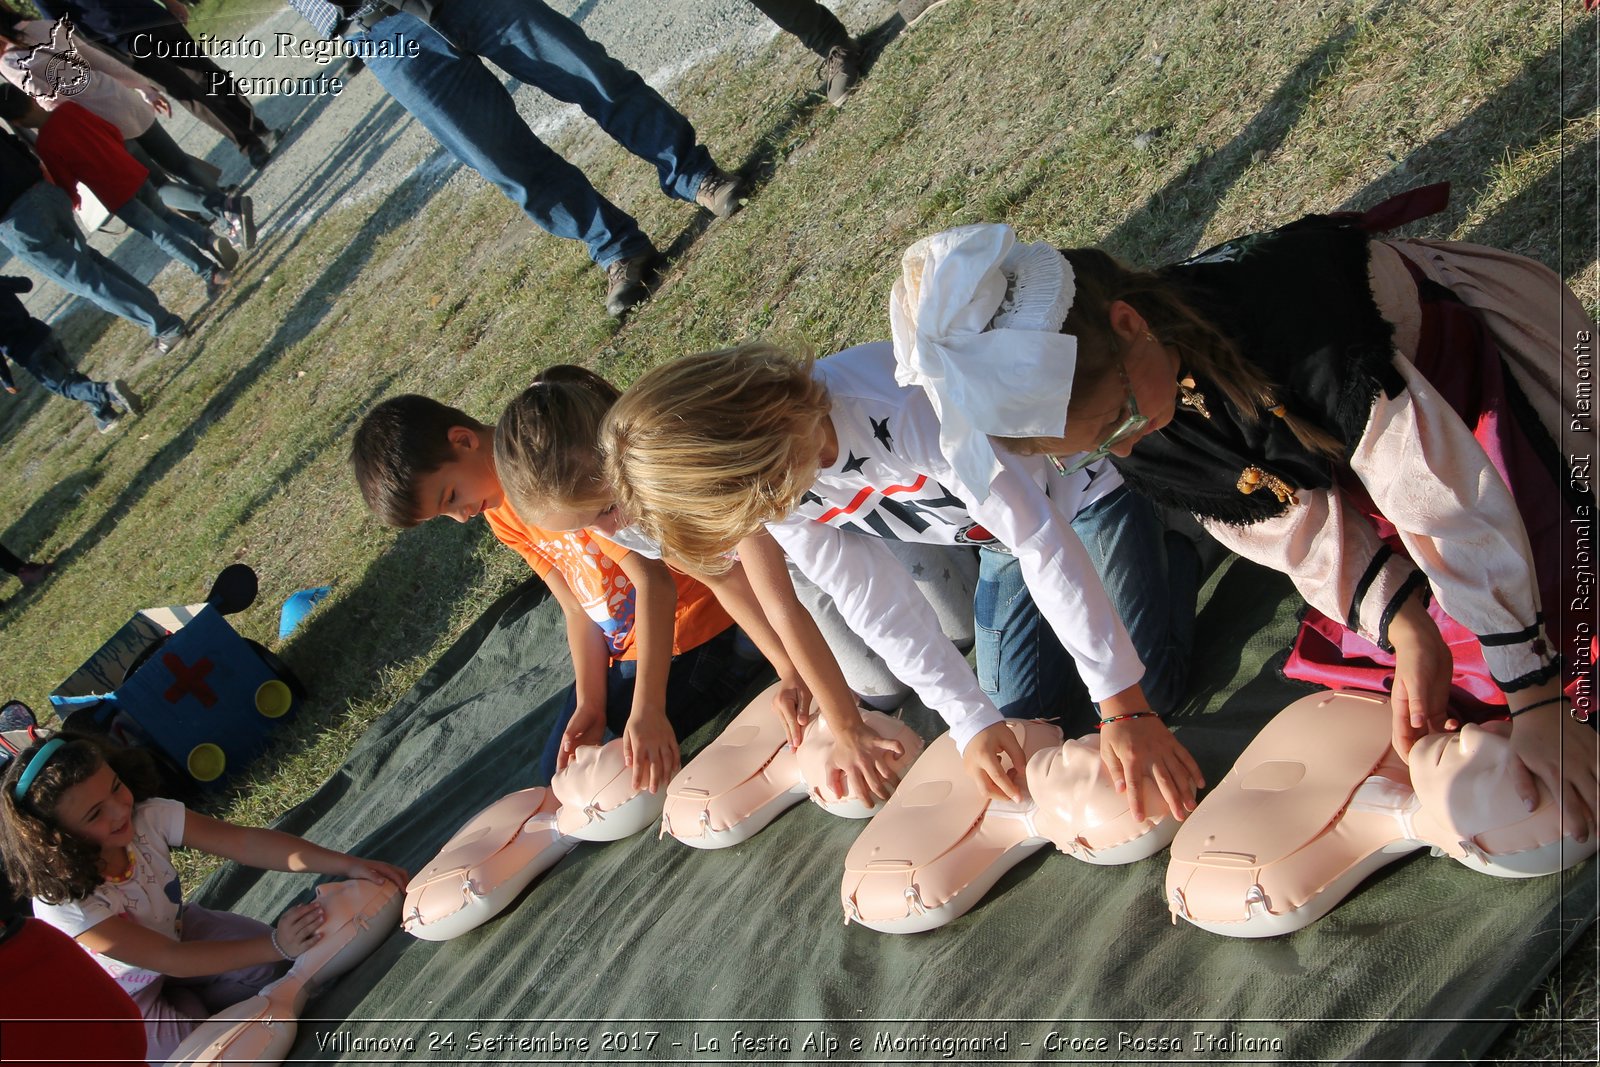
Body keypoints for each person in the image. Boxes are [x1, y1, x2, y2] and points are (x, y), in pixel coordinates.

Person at [919, 194, 1595, 840]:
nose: (1123, 448)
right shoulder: (1134, 427)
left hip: (1456, 384)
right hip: (1364, 465)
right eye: (1094, 449)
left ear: (1130, 325)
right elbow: (1292, 528)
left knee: (1561, 622)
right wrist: (1405, 622)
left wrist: (1534, 692)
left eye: (1116, 422)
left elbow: (1437, 492)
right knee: (1431, 670)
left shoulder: (1300, 324)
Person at [602, 335, 1203, 820]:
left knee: (1147, 692)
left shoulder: (901, 407)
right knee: (1022, 720)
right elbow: (871, 599)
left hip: (1079, 496)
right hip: (999, 541)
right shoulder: (778, 488)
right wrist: (970, 722)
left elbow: (1040, 538)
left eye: (752, 504)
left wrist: (1124, 709)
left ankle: (1173, 531)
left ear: (754, 451)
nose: (764, 521)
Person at [350, 387, 760, 792]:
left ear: (463, 440)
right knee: (564, 775)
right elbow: (578, 609)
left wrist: (648, 708)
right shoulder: (500, 515)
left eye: (451, 497)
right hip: (631, 648)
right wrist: (590, 704)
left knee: (618, 769)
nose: (461, 517)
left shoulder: (553, 477)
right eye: (444, 513)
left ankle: (746, 649)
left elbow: (654, 581)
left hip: (691, 626)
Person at [284, 0, 747, 316]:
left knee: (589, 74)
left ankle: (694, 174)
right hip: (373, 29)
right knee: (500, 159)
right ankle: (617, 247)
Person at [0, 734, 408, 1063]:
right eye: (94, 814)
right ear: (56, 840)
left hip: (180, 933)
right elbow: (168, 960)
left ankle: (198, 998)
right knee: (200, 1053)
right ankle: (191, 1006)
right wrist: (274, 942)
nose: (118, 810)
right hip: (127, 1000)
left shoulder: (147, 816)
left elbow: (245, 843)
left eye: (116, 787)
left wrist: (344, 864)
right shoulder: (65, 904)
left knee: (272, 973)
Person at [0, 7, 255, 247]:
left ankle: (226, 207)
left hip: (95, 122)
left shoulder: (9, 62)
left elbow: (50, 101)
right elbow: (97, 59)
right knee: (180, 163)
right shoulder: (45, 26)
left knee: (155, 184)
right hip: (118, 97)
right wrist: (142, 86)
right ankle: (230, 214)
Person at [1, 87, 236, 299]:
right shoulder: (70, 109)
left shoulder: (46, 144)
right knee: (166, 215)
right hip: (131, 169)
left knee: (160, 235)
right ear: (32, 98)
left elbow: (65, 180)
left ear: (18, 123)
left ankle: (210, 272)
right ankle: (209, 239)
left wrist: (73, 201)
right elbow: (110, 130)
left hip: (114, 193)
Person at [0, 127, 187, 351]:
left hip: (18, 220)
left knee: (85, 279)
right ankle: (146, 302)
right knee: (88, 259)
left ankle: (164, 324)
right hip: (42, 192)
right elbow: (17, 145)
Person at [33, 0, 280, 166]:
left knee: (207, 73)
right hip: (123, 40)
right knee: (187, 93)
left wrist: (170, 1)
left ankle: (256, 128)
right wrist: (102, 62)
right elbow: (63, 28)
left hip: (152, 16)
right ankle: (248, 144)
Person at [0, 274, 142, 432]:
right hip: (43, 334)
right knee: (72, 375)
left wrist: (6, 380)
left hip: (27, 352)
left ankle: (107, 392)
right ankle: (105, 415)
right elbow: (26, 284)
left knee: (65, 386)